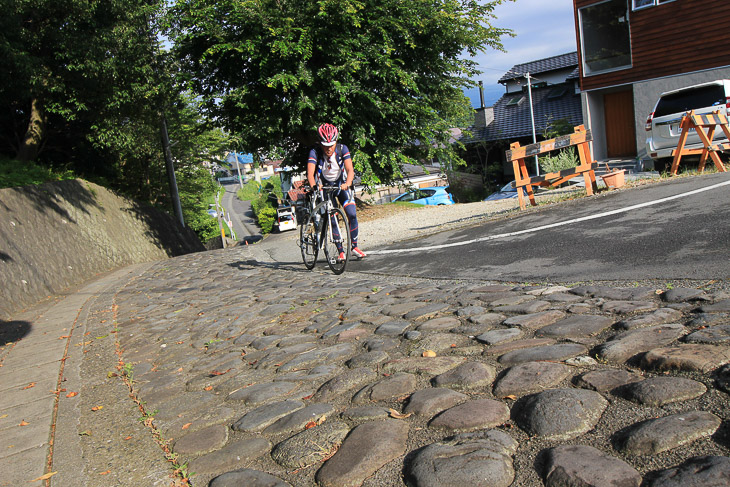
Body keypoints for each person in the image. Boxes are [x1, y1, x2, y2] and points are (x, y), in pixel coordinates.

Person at [306, 123, 367, 260]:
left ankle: (354, 247)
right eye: (325, 145)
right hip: (324, 187)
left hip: (341, 184)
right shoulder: (314, 152)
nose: (329, 148)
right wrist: (315, 186)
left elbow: (350, 170)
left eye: (332, 145)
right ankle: (340, 252)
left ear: (336, 141)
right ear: (320, 143)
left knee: (352, 214)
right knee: (332, 218)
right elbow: (310, 174)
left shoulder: (342, 148)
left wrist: (348, 183)